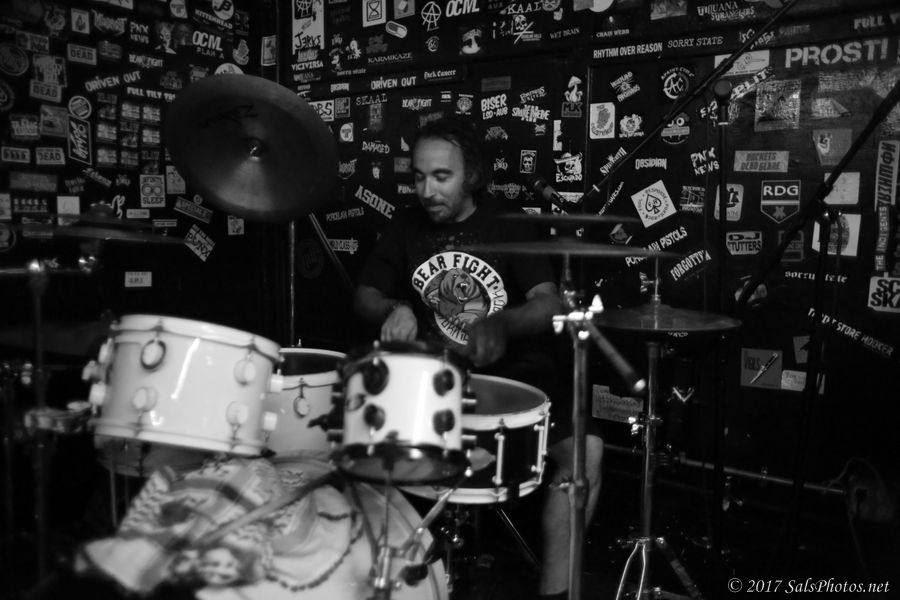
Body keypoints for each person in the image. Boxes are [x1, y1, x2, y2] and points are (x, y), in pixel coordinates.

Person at [353, 116, 604, 600]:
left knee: (586, 452)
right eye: (418, 177)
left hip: (513, 377)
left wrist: (503, 323)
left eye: (441, 177)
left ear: (471, 176)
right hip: (431, 380)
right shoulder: (405, 225)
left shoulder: (508, 223)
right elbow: (365, 294)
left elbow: (548, 300)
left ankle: (556, 593)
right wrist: (393, 308)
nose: (427, 191)